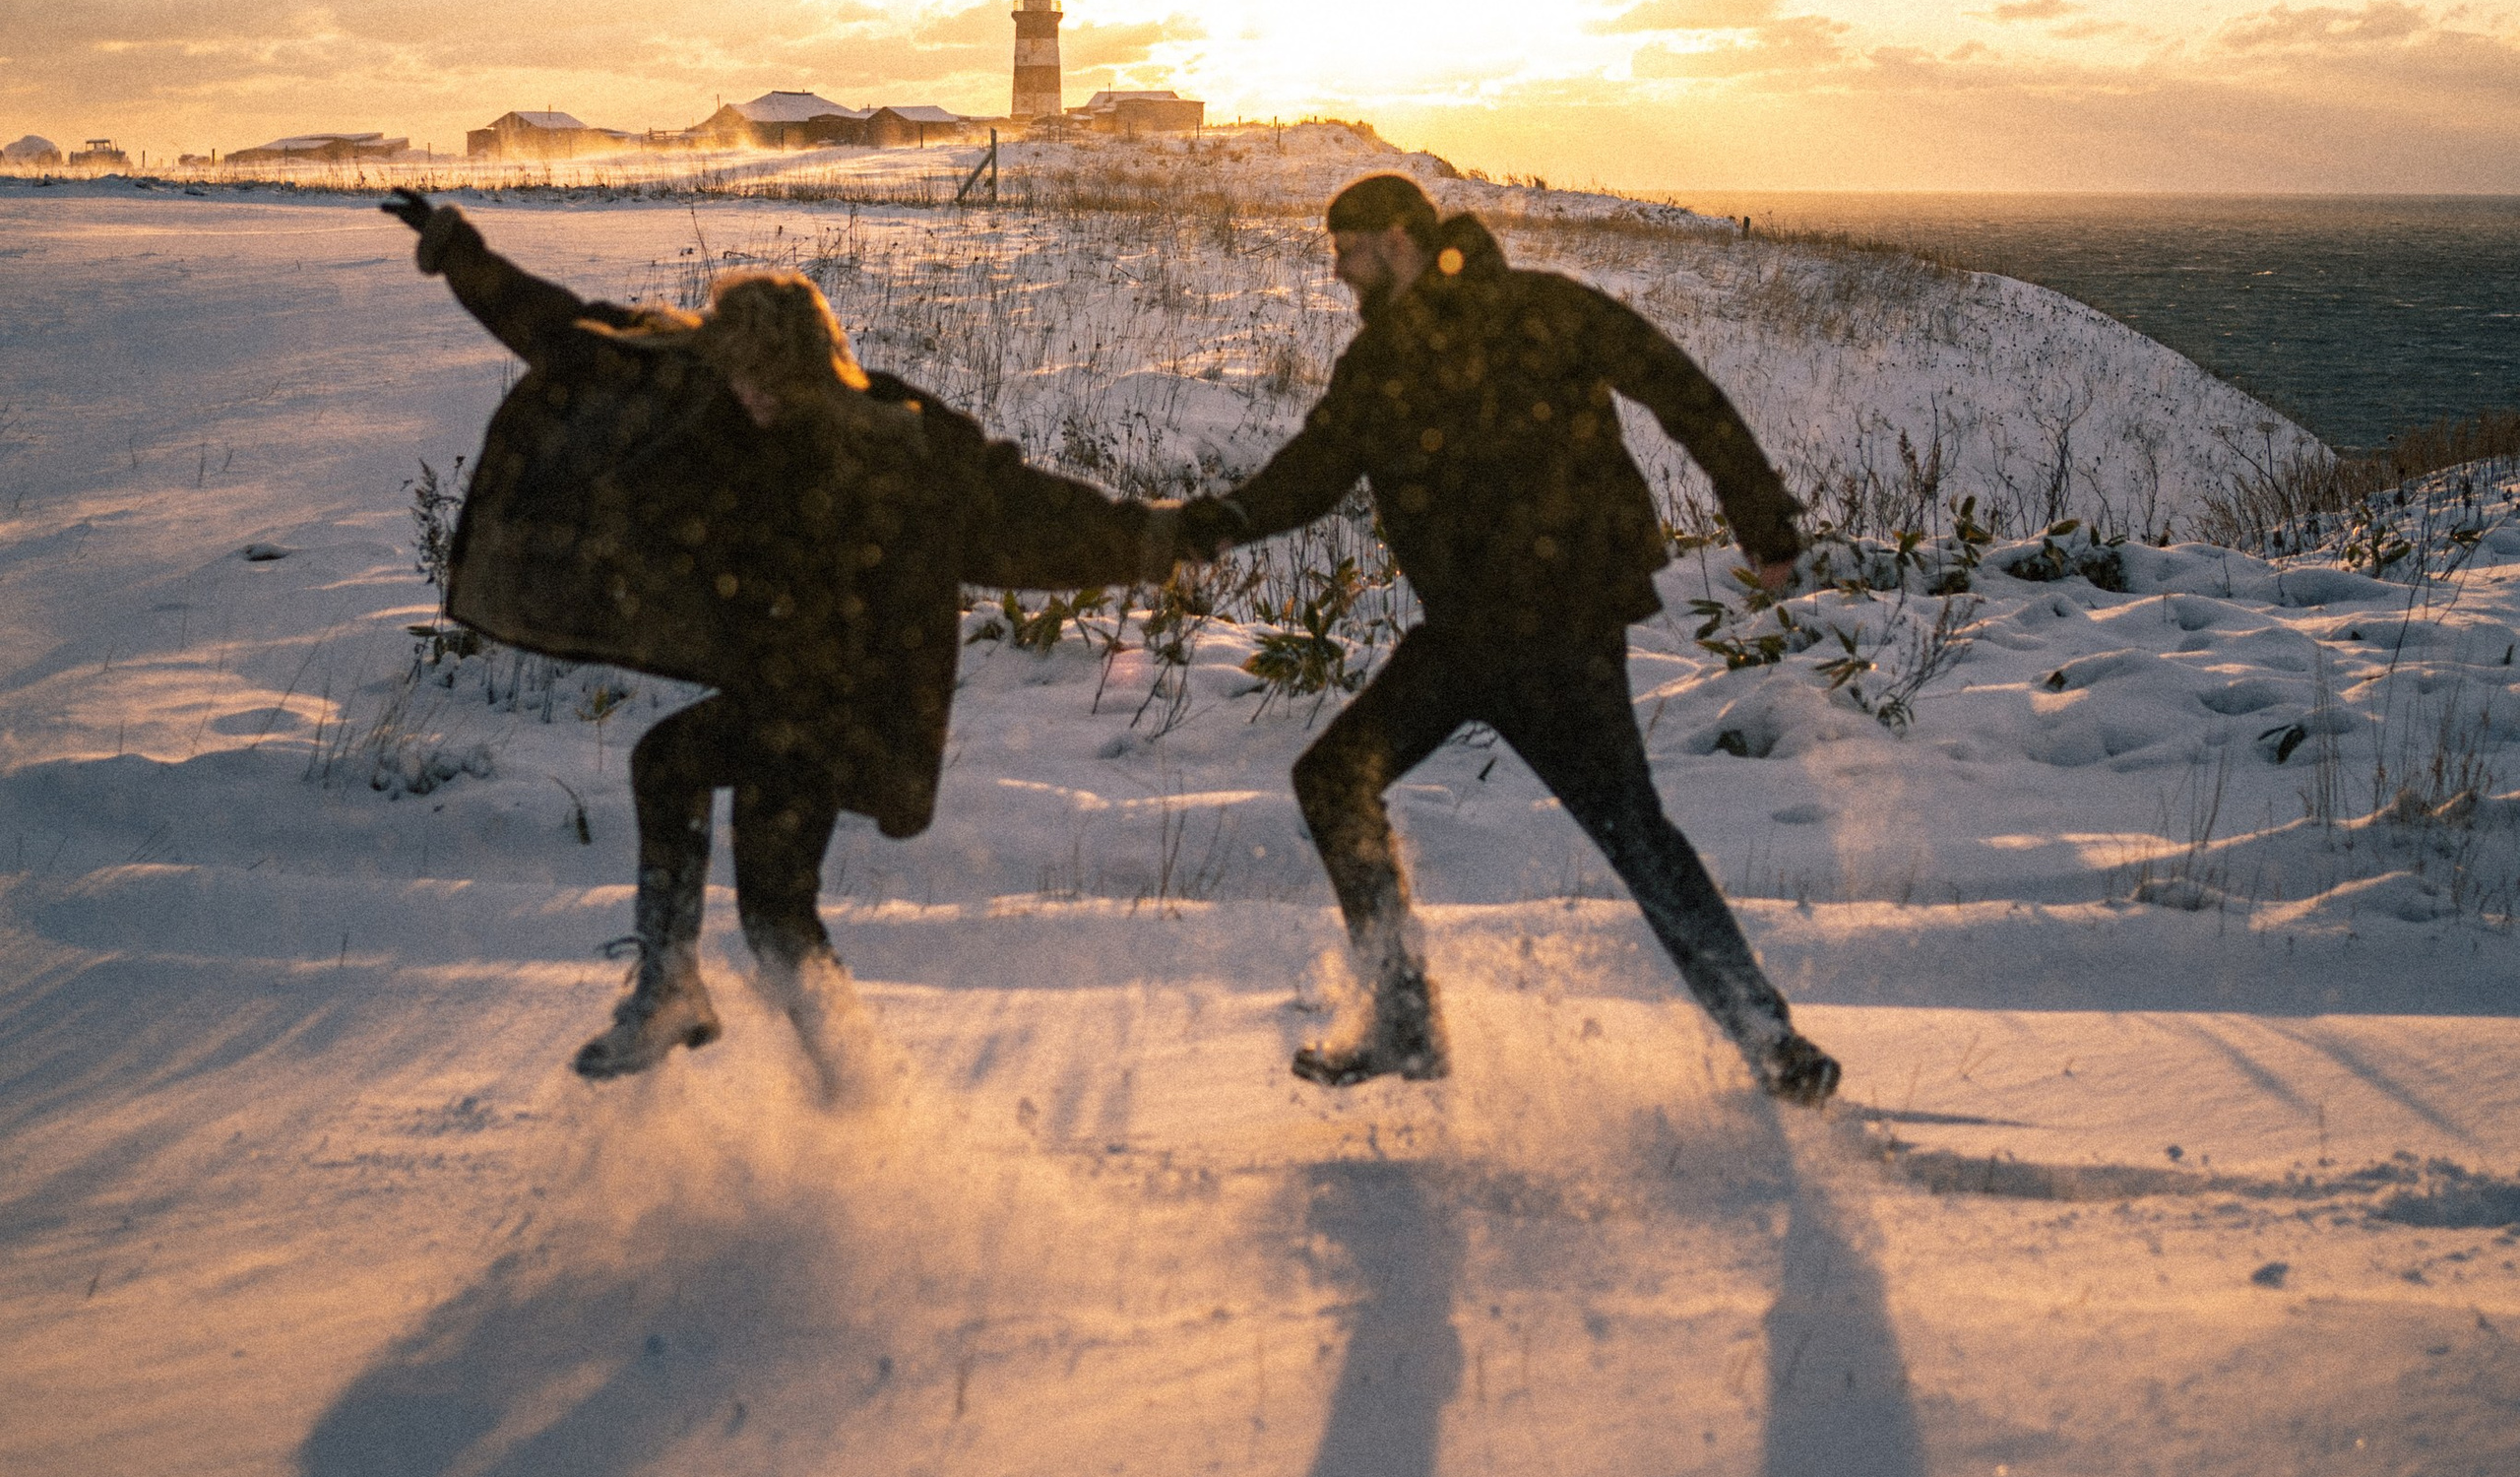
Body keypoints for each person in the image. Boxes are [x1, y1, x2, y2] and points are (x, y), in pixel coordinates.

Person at [384, 194, 1179, 1087]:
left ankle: (721, 1015)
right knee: (767, 905)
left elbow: (1017, 510)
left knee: (700, 808)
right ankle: (816, 1065)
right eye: (739, 370)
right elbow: (564, 332)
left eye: (773, 374)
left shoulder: (887, 447)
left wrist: (1146, 540)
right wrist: (462, 253)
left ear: (811, 366)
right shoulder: (695, 398)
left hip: (854, 709)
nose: (754, 392)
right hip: (778, 699)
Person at [1175, 174, 1840, 1106]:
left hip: (1551, 625)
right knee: (1592, 823)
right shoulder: (1387, 358)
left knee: (1612, 826)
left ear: (1400, 240)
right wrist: (1223, 519)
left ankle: (1759, 1038)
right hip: (1480, 630)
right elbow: (1317, 470)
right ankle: (1760, 1039)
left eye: (1347, 247)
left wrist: (1763, 518)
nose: (1335, 269)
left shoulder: (1538, 310)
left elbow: (1678, 390)